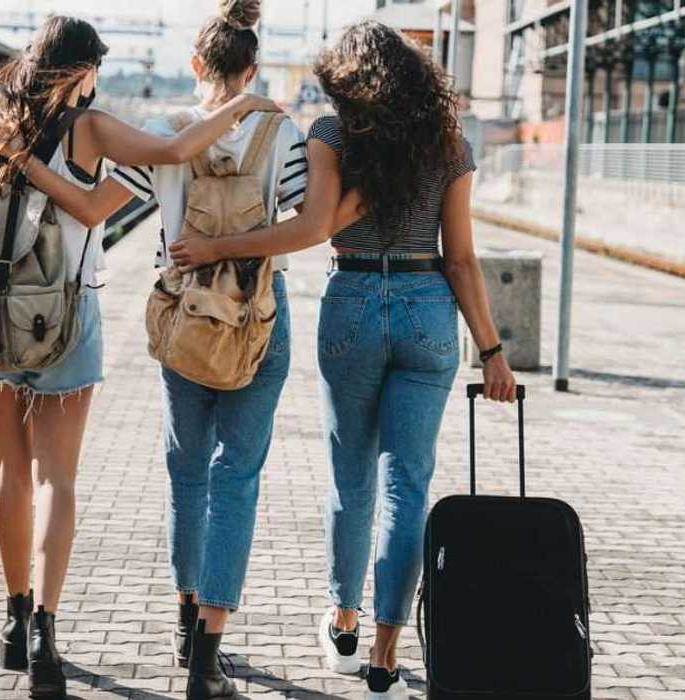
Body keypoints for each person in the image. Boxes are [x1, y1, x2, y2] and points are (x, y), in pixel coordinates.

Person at [0, 9, 279, 698]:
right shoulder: (90, 127)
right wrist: (244, 105)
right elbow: (171, 152)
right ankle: (47, 630)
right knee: (57, 479)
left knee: (9, 469)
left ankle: (13, 623)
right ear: (81, 71)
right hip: (64, 318)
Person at [168, 19, 518, 699]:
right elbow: (463, 258)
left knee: (351, 480)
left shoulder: (331, 134)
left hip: (352, 297)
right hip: (427, 308)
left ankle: (344, 623)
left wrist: (217, 248)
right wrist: (492, 353)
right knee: (406, 488)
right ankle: (386, 655)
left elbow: (312, 227)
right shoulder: (448, 143)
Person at [0, 2, 314, 697]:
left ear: (195, 66)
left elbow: (92, 207)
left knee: (187, 476)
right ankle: (207, 659)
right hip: (255, 317)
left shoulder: (164, 132)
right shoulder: (282, 134)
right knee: (237, 481)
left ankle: (182, 620)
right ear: (252, 69)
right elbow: (303, 222)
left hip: (180, 315)